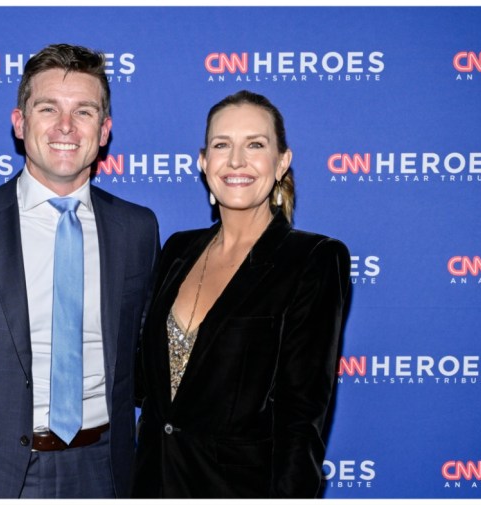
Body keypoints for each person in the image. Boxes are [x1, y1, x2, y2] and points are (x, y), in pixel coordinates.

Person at [0, 43, 160, 499]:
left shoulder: (137, 228)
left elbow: (145, 360)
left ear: (104, 131)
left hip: (106, 472)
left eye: (84, 112)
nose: (65, 126)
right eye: (47, 108)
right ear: (20, 123)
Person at [132, 90, 350, 498]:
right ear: (203, 161)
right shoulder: (178, 249)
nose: (236, 161)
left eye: (255, 145)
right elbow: (148, 384)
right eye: (221, 145)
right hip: (152, 483)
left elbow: (301, 419)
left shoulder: (313, 260)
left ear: (282, 161)